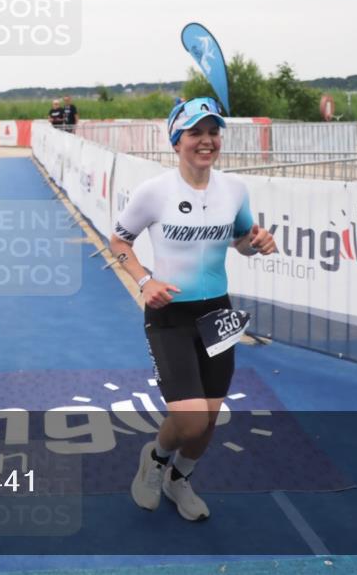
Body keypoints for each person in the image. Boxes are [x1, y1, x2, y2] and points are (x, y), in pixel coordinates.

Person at [108, 97, 277, 522]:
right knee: (189, 420)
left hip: (218, 314)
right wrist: (146, 282)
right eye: (195, 133)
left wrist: (257, 245)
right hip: (169, 315)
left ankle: (179, 480)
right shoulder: (154, 192)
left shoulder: (235, 190)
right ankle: (155, 459)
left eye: (213, 132)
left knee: (209, 421)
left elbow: (242, 239)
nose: (206, 141)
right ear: (176, 141)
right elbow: (119, 242)